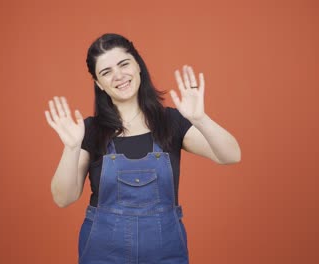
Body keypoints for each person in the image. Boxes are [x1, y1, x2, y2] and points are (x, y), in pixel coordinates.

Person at [44, 33, 241, 264]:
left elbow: (231, 155)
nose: (118, 76)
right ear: (99, 84)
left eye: (123, 64)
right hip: (102, 253)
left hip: (166, 252)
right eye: (106, 72)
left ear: (138, 65)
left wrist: (200, 118)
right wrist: (71, 147)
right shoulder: (88, 131)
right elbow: (63, 198)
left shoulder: (171, 122)